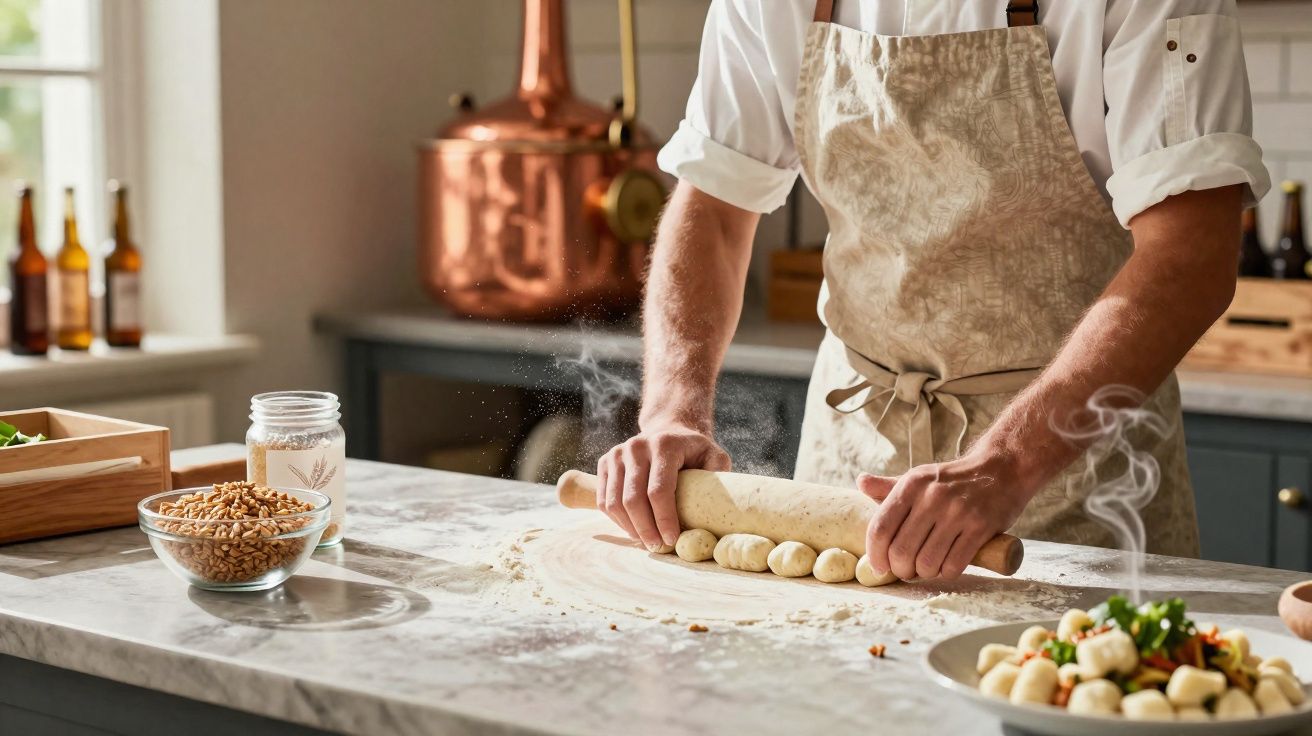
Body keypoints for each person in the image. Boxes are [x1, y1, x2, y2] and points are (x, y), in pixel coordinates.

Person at [597, 0, 1270, 580]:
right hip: (848, 474)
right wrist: (673, 413)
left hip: (1075, 482)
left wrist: (1004, 467)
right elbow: (713, 207)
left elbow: (1192, 255)